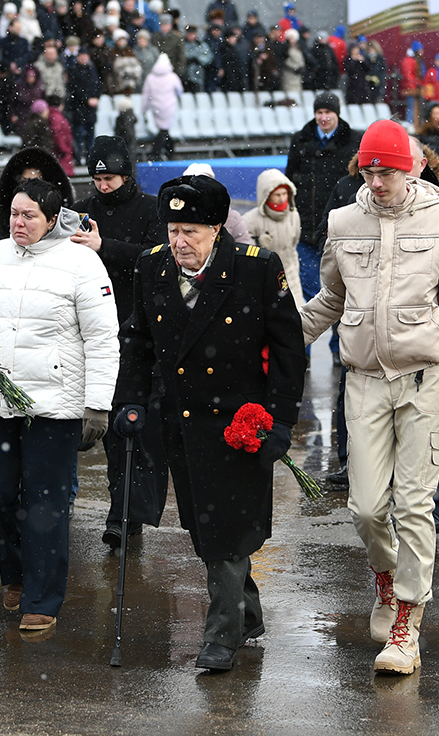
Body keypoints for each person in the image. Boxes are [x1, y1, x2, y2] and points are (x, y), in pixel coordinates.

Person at [300, 119, 439, 674]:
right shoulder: (342, 221)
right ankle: (385, 578)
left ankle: (407, 624)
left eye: (388, 170)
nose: (377, 181)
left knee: (414, 505)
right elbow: (330, 297)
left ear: (412, 168)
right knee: (367, 507)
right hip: (364, 381)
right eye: (370, 170)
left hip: (426, 379)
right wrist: (280, 340)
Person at [113, 174, 304, 672]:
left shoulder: (256, 271)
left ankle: (221, 636)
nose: (179, 242)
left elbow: (288, 351)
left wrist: (281, 421)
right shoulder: (151, 268)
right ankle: (247, 611)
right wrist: (129, 402)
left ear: (217, 229)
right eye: (173, 229)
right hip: (182, 421)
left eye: (191, 231)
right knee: (205, 528)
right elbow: (137, 343)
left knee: (225, 528)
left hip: (240, 423)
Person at [0, 178, 119, 631]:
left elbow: (103, 338)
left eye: (28, 215)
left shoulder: (82, 263)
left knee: (45, 503)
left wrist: (97, 405)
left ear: (51, 219)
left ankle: (42, 598)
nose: (18, 222)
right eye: (13, 213)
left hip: (54, 405)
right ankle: (16, 570)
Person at [70, 136, 166, 548]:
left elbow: (157, 257)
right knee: (104, 426)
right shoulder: (83, 211)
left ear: (126, 175)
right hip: (91, 328)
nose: (103, 185)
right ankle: (121, 511)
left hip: (135, 328)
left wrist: (103, 247)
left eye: (109, 178)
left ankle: (125, 516)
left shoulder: (149, 209)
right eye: (97, 179)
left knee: (131, 428)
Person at [285, 91, 361, 342]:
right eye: (319, 112)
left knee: (341, 290)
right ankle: (301, 351)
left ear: (336, 114)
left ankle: (340, 348)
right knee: (307, 290)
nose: (323, 117)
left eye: (328, 112)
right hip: (306, 228)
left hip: (340, 229)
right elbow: (288, 180)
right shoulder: (300, 140)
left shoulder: (353, 142)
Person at [242, 168, 303, 311]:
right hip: (263, 278)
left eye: (284, 194)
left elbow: (294, 244)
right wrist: (258, 243)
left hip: (291, 273)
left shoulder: (294, 215)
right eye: (277, 195)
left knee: (297, 316)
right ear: (266, 195)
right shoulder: (250, 220)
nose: (282, 198)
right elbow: (243, 249)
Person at [142, 53, 182, 161]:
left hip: (156, 106)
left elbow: (146, 94)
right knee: (164, 130)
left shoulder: (150, 77)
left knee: (163, 130)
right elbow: (179, 90)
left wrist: (144, 109)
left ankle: (164, 152)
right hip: (169, 105)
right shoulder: (173, 77)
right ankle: (161, 152)